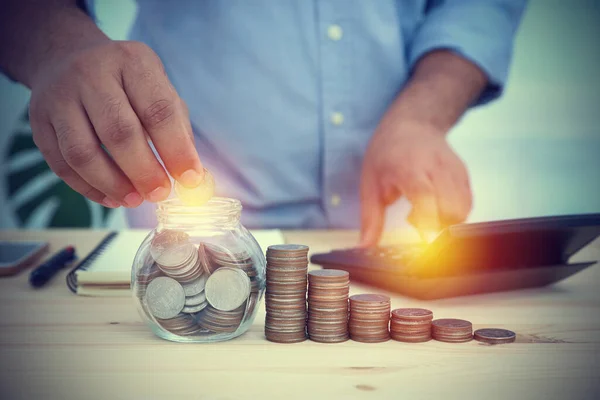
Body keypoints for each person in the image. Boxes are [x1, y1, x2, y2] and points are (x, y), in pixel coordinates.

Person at [0, 0, 526, 246]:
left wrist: (420, 117)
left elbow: (477, 7)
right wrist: (59, 45)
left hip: (393, 236)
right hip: (199, 243)